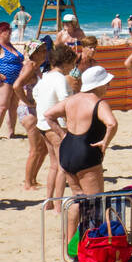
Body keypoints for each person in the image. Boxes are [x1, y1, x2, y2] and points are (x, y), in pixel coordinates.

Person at [45, 65, 118, 240]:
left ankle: (70, 240)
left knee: (77, 199)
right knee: (94, 201)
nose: (108, 87)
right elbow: (112, 123)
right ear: (98, 85)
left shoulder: (72, 99)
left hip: (68, 150)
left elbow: (48, 114)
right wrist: (105, 142)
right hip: (87, 152)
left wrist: (62, 134)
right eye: (106, 83)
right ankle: (92, 241)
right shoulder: (98, 103)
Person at [34, 44, 76, 210]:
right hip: (55, 126)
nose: (72, 67)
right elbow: (66, 101)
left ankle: (49, 201)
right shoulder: (60, 79)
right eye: (72, 63)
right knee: (62, 166)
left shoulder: (46, 76)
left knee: (53, 164)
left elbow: (35, 94)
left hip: (42, 124)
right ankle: (58, 204)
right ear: (65, 62)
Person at [15, 41, 51, 190]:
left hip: (33, 110)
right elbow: (16, 85)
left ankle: (33, 179)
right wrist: (26, 101)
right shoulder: (30, 66)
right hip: (28, 112)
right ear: (34, 52)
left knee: (44, 149)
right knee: (35, 149)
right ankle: (28, 183)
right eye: (42, 50)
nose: (45, 52)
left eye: (44, 49)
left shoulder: (35, 66)